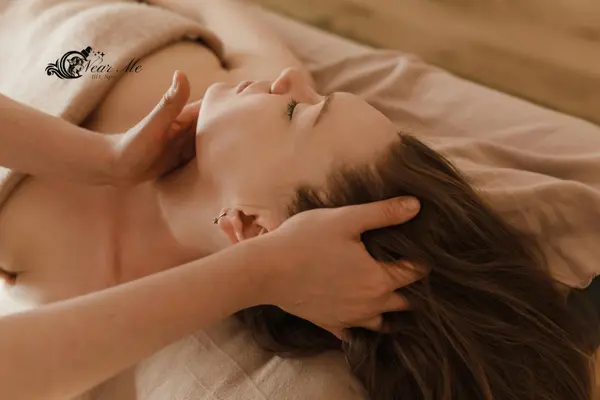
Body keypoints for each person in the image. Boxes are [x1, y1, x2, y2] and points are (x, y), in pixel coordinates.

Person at [0, 1, 595, 400]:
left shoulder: (61, 275)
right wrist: (101, 157)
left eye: (296, 112)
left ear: (253, 227)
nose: (292, 81)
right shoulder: (233, 100)